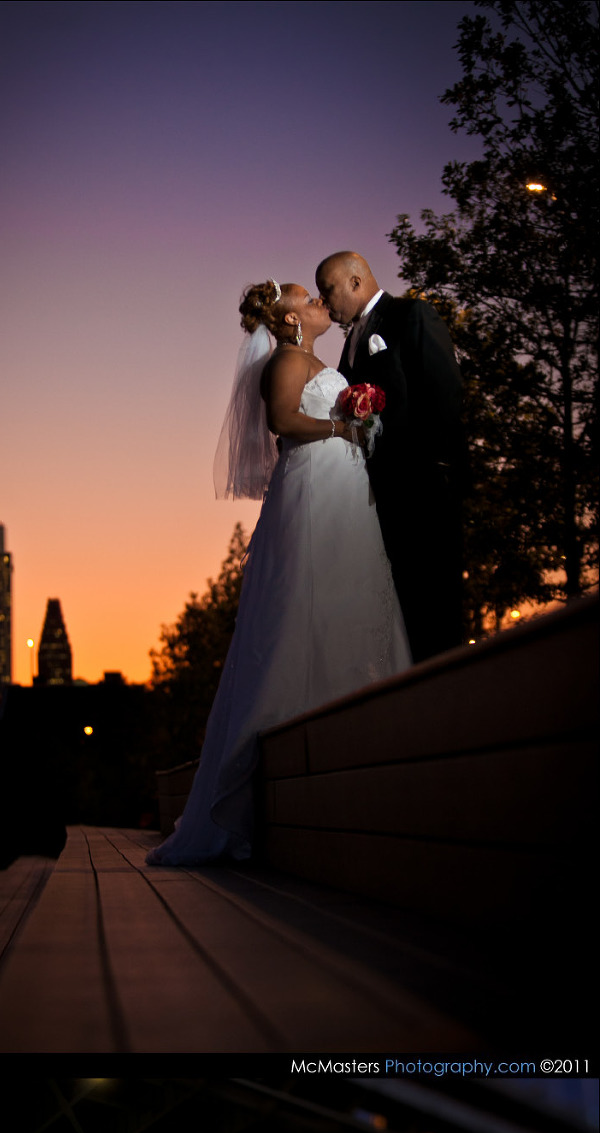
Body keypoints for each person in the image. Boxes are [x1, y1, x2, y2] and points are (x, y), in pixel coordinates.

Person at [146, 277, 411, 867]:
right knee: (306, 603)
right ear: (289, 319)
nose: (319, 303)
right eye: (307, 298)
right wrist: (344, 426)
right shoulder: (287, 361)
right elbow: (285, 423)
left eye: (320, 297)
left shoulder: (318, 357)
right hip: (313, 490)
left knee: (353, 597)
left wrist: (364, 425)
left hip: (344, 487)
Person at [316, 250, 467, 662]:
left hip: (422, 490)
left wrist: (439, 473)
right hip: (376, 500)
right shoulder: (349, 343)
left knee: (434, 609)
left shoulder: (410, 315)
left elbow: (445, 394)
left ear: (355, 281)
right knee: (400, 612)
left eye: (327, 291)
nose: (325, 303)